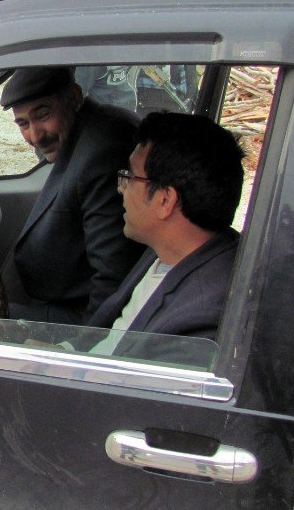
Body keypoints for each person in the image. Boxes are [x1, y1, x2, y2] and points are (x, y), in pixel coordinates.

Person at [83, 113, 244, 357]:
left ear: (165, 200)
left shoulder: (201, 319)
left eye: (129, 177)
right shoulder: (163, 253)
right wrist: (61, 351)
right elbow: (108, 333)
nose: (120, 188)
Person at [1, 67, 145, 324]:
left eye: (43, 115)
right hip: (64, 300)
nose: (35, 136)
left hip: (81, 318)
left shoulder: (102, 151)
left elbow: (112, 277)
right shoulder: (87, 133)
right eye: (23, 123)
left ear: (75, 98)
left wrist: (78, 349)